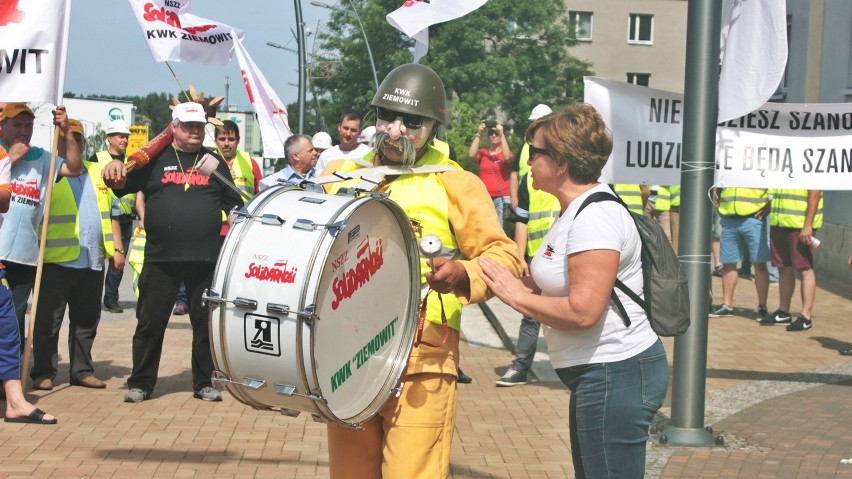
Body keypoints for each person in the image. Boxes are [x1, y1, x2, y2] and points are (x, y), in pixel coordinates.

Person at [322, 63, 522, 478]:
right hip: (344, 353)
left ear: (434, 126)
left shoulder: (455, 183)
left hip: (421, 354)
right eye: (386, 117)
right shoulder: (337, 177)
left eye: (411, 122)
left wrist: (464, 274)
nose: (394, 131)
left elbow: (504, 255)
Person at [479, 103, 669, 478]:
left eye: (535, 152)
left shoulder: (595, 217)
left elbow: (584, 311)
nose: (527, 160)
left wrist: (517, 297)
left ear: (561, 162)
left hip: (617, 373)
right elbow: (550, 279)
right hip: (600, 375)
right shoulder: (573, 210)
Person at [101, 102, 244, 403]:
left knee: (204, 324)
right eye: (188, 126)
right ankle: (141, 382)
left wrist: (236, 216)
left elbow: (234, 201)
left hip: (205, 258)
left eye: (198, 126)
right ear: (174, 128)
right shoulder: (154, 159)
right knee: (150, 323)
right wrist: (113, 167)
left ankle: (204, 382)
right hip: (160, 257)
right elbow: (121, 182)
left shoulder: (212, 160)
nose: (194, 131)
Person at [29, 119, 120, 390]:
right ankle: (43, 372)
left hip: (92, 259)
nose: (74, 144)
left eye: (78, 139)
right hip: (56, 259)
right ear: (57, 143)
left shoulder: (97, 171)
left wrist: (117, 248)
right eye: (68, 139)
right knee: (48, 322)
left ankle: (81, 370)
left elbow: (112, 213)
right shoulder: (49, 170)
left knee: (87, 321)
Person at [0, 103, 83, 353]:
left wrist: (66, 130)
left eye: (28, 125)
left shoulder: (42, 157)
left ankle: (8, 379)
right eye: (16, 124)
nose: (23, 131)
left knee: (13, 318)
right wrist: (10, 158)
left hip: (25, 257)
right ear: (2, 126)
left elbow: (75, 167)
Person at [0, 143, 58, 424]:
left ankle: (14, 402)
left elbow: (4, 199)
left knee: (10, 329)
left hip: (11, 260)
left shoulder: (1, 157)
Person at [496, 169, 560, 387]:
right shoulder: (530, 179)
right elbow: (521, 220)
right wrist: (520, 256)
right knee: (530, 313)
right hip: (537, 256)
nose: (532, 161)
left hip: (569, 256)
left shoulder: (573, 171)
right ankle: (521, 367)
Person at [709, 187, 771, 322]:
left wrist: (768, 207)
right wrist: (718, 202)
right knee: (728, 264)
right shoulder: (728, 167)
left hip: (754, 218)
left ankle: (762, 306)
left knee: (759, 264)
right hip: (729, 218)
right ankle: (727, 305)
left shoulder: (759, 165)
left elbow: (772, 188)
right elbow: (718, 186)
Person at [765, 188, 823, 331]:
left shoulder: (808, 166)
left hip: (800, 226)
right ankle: (783, 311)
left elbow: (815, 193)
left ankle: (805, 316)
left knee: (805, 268)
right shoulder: (784, 166)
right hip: (779, 222)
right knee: (783, 267)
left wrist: (808, 225)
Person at [96, 119, 134, 314]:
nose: (125, 140)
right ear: (109, 138)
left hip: (125, 218)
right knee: (96, 259)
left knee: (118, 261)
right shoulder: (97, 158)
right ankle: (92, 296)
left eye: (126, 136)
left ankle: (111, 298)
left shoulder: (132, 161)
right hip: (103, 217)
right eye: (120, 136)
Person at [469, 119, 514, 234]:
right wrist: (479, 133)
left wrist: (502, 133)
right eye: (491, 133)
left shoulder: (504, 152)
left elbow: (508, 157)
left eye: (496, 133)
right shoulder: (484, 153)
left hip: (501, 198)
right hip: (485, 197)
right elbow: (472, 154)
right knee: (486, 229)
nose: (493, 135)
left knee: (501, 231)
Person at [509, 104, 553, 210]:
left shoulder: (555, 146)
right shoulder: (525, 147)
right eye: (534, 122)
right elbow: (514, 173)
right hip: (527, 196)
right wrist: (514, 196)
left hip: (549, 198)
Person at [315, 109, 371, 173]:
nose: (348, 133)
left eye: (353, 130)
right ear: (339, 127)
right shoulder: (326, 155)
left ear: (360, 132)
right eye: (346, 128)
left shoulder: (368, 153)